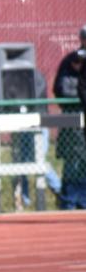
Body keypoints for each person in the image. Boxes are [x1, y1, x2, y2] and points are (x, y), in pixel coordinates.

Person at [54, 26, 86, 209]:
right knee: (74, 163)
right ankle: (70, 203)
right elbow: (62, 89)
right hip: (75, 124)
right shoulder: (72, 61)